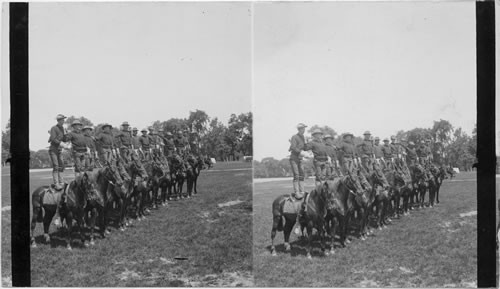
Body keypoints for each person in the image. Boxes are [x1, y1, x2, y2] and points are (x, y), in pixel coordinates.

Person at [48, 114, 67, 190]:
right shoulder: (54, 128)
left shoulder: (62, 129)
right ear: (58, 121)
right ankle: (56, 183)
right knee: (56, 166)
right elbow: (53, 139)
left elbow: (65, 140)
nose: (63, 121)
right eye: (62, 120)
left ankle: (61, 182)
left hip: (59, 150)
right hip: (53, 149)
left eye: (63, 120)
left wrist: (66, 134)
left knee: (61, 166)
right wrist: (60, 143)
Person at [288, 123, 307, 199]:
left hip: (300, 158)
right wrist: (300, 152)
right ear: (299, 129)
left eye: (304, 128)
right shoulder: (294, 137)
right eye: (302, 129)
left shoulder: (302, 137)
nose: (304, 130)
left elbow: (304, 147)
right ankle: (297, 192)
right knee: (296, 175)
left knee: (302, 174)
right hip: (294, 158)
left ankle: (302, 192)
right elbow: (293, 147)